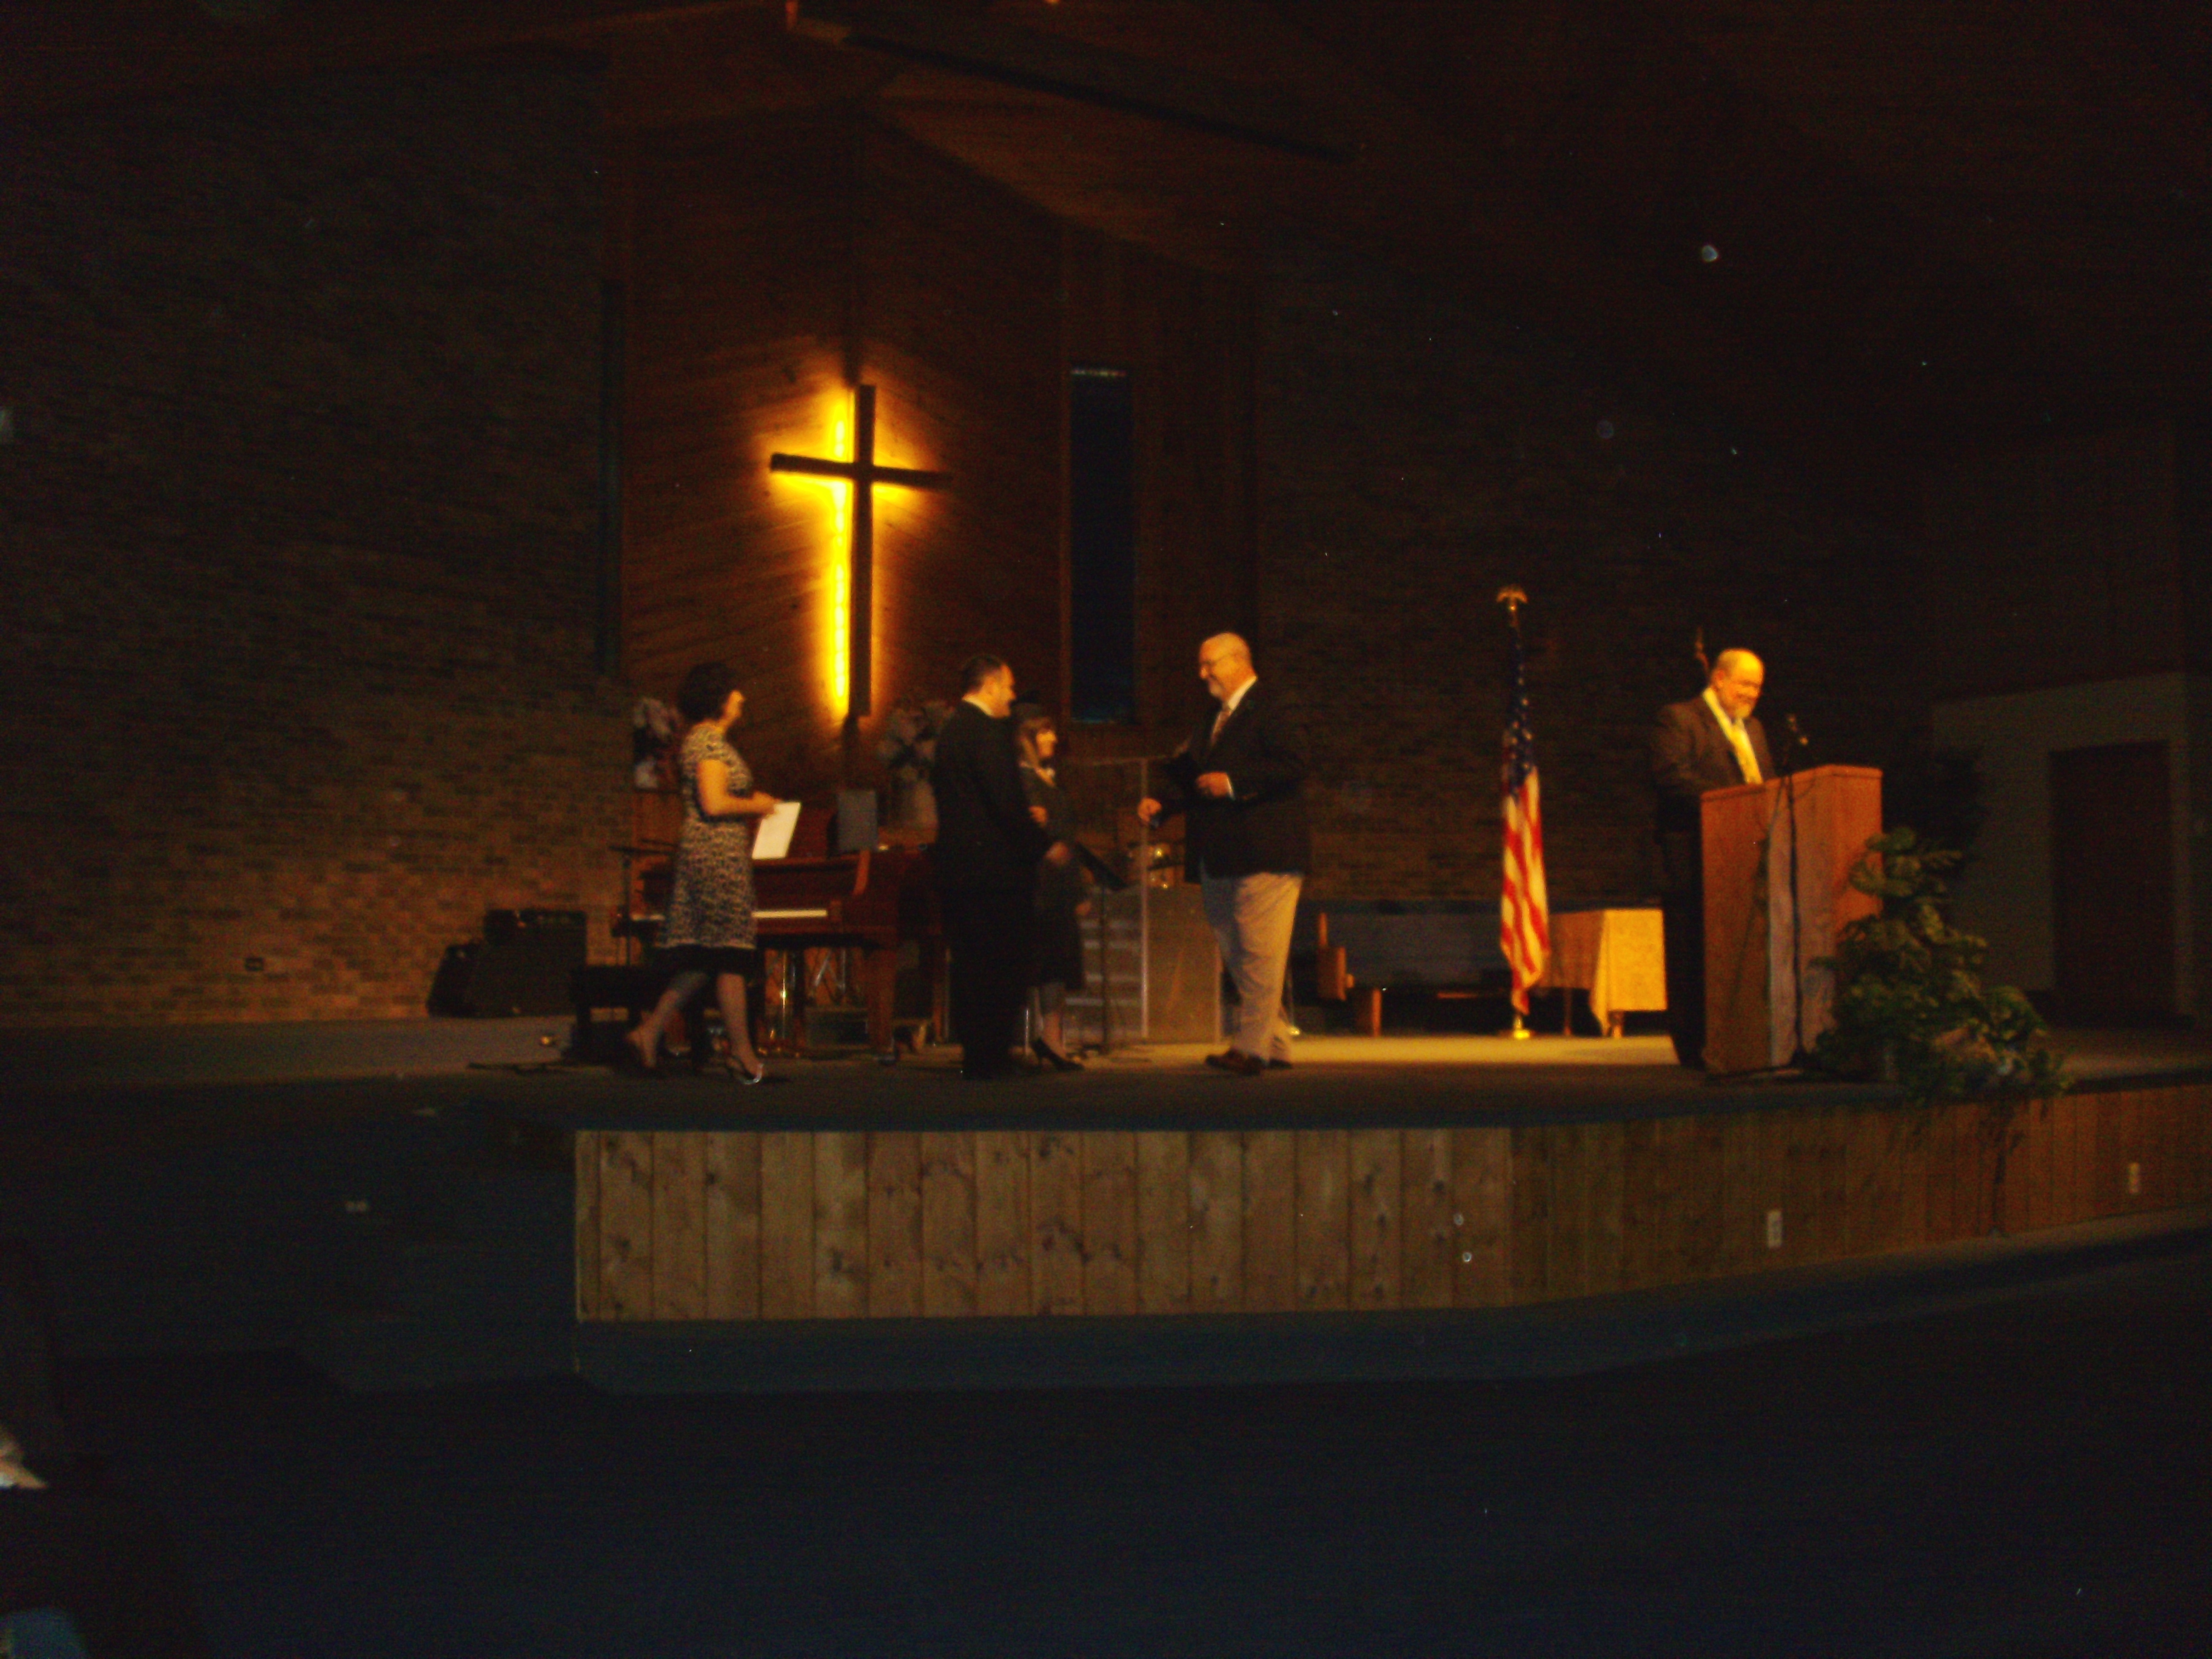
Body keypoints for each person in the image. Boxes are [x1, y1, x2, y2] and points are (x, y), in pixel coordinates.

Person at [1139, 634, 1310, 1077]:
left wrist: (1232, 783)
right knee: (1237, 950)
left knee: (1259, 951)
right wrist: (1163, 804)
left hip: (1265, 851)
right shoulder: (1212, 719)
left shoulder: (1275, 706)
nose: (1203, 674)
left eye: (1209, 664)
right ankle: (1275, 1042)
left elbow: (1293, 764)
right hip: (1219, 855)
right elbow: (1196, 779)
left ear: (1238, 661)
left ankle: (1250, 1047)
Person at [626, 661, 782, 1085]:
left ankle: (650, 1031)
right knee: (728, 954)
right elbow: (714, 803)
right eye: (735, 691)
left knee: (708, 956)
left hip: (716, 856)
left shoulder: (706, 742)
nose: (741, 697)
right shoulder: (708, 743)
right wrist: (757, 804)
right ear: (719, 698)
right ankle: (743, 1055)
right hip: (715, 859)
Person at [931, 656, 1065, 1079]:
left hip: (960, 867)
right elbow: (1004, 800)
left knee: (972, 964)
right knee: (1001, 963)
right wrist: (1041, 846)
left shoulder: (952, 731)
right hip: (994, 871)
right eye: (1008, 687)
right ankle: (992, 1056)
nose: (1012, 696)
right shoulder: (986, 732)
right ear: (989, 686)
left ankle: (979, 1055)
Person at [1650, 647, 1775, 1069]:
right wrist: (1733, 804)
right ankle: (1694, 1046)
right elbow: (1672, 778)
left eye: (1758, 687)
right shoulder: (1680, 719)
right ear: (1719, 679)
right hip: (1693, 858)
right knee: (1693, 954)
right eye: (1745, 684)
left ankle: (1741, 1037)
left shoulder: (1754, 729)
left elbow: (1766, 785)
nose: (1753, 694)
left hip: (1746, 860)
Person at [1018, 711, 1089, 1071]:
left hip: (1057, 884)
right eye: (1045, 732)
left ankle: (1052, 1037)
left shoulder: (1047, 778)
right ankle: (1030, 1039)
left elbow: (1065, 834)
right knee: (1039, 960)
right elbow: (1028, 827)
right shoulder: (1023, 778)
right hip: (1038, 884)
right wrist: (1047, 846)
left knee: (1056, 963)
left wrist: (1078, 889)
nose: (1053, 739)